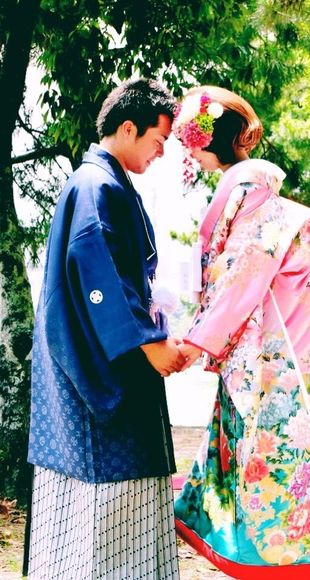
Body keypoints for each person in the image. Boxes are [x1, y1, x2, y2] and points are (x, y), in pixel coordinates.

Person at [173, 86, 310, 579]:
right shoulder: (266, 201)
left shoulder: (255, 202)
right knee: (274, 464)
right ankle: (287, 559)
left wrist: (195, 343)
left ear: (207, 140)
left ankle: (278, 563)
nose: (188, 155)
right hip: (280, 354)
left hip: (267, 362)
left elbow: (240, 281)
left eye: (190, 143)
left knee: (268, 464)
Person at [27, 78, 184, 579]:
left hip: (91, 363)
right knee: (110, 497)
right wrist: (149, 343)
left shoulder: (99, 182)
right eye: (158, 141)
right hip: (101, 373)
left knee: (90, 509)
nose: (161, 153)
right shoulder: (97, 185)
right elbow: (100, 276)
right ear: (129, 128)